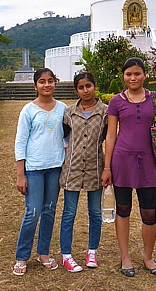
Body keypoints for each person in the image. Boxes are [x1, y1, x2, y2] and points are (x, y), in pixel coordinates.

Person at [102, 57, 156, 277]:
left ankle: (148, 257)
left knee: (149, 212)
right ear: (123, 77)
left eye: (137, 73)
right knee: (123, 210)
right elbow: (110, 135)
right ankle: (125, 258)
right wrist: (107, 168)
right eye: (128, 74)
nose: (133, 78)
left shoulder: (155, 99)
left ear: (144, 75)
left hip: (146, 162)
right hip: (122, 161)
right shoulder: (116, 101)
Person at [13, 68, 67, 276]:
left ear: (55, 83)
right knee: (32, 212)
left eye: (51, 81)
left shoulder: (63, 108)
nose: (47, 85)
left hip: (55, 168)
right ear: (35, 86)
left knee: (49, 211)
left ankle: (43, 253)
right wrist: (21, 174)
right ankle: (22, 256)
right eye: (42, 82)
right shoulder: (28, 110)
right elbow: (21, 142)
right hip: (34, 169)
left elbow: (68, 136)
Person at [60, 72, 107, 272]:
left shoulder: (106, 112)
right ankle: (66, 255)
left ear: (95, 86)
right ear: (76, 90)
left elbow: (108, 138)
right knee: (69, 213)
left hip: (96, 169)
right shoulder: (69, 113)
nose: (85, 90)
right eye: (81, 87)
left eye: (89, 86)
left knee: (95, 213)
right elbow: (63, 137)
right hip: (73, 169)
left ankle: (92, 252)